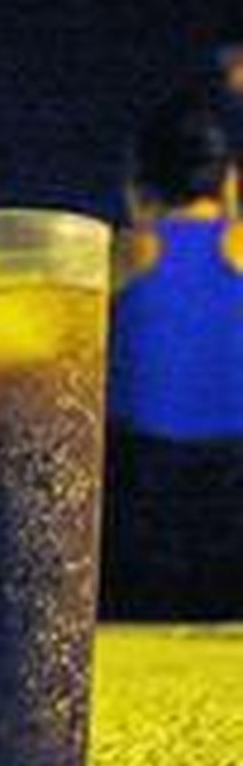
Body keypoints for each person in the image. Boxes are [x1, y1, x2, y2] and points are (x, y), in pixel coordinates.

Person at [105, 91, 243, 620]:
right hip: (233, 493)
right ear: (229, 180)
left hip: (144, 495)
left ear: (137, 187)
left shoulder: (124, 253)